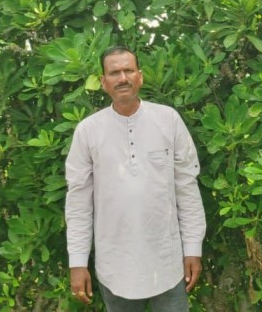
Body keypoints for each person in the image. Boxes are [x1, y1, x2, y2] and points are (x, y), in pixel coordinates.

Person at [65, 45, 206, 311]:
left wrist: (193, 248)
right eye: (114, 72)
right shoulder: (88, 131)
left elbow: (187, 187)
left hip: (167, 261)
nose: (123, 78)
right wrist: (77, 262)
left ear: (140, 76)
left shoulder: (168, 120)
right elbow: (79, 203)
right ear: (104, 82)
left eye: (128, 70)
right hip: (114, 266)